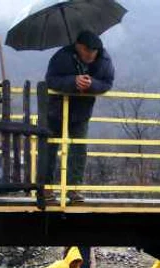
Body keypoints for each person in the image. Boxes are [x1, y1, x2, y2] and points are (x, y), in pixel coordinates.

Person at [43, 30, 115, 203]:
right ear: (78, 46)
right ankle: (46, 188)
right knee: (50, 148)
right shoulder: (62, 56)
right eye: (86, 51)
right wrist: (72, 82)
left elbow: (107, 82)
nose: (90, 55)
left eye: (94, 52)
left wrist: (92, 84)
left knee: (79, 149)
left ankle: (73, 189)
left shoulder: (104, 60)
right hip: (56, 110)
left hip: (81, 112)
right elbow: (51, 79)